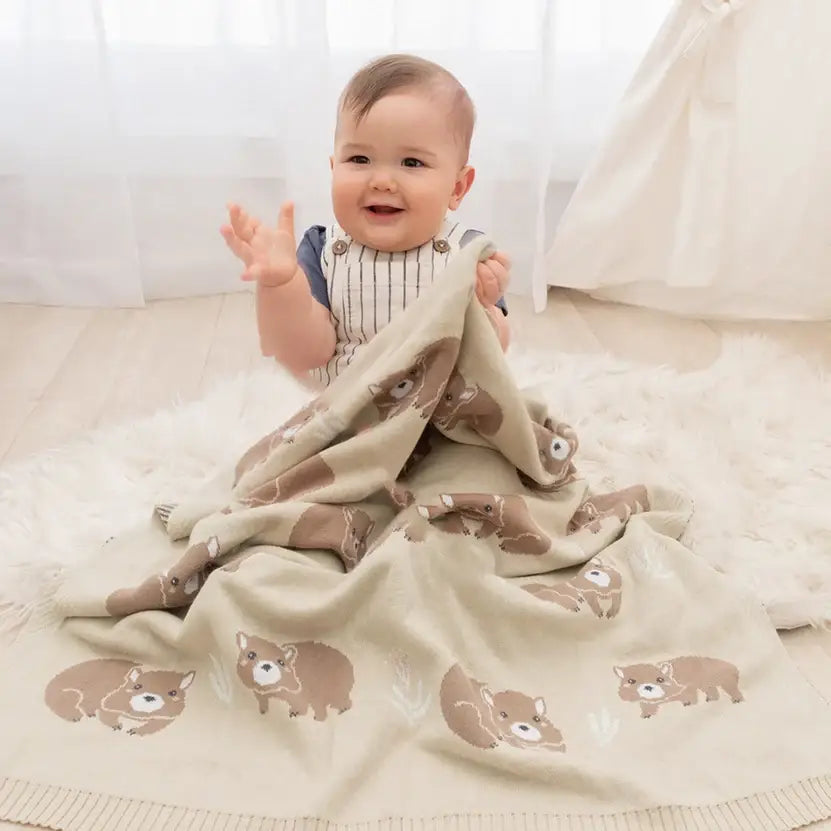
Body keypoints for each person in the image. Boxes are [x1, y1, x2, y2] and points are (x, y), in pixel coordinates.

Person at [220, 53, 511, 387]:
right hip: (348, 416)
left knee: (510, 425)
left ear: (457, 188)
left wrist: (483, 308)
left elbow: (495, 355)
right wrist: (282, 284)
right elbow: (307, 354)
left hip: (440, 414)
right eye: (359, 158)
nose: (382, 180)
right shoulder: (322, 250)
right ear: (334, 168)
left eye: (412, 163)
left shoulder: (468, 252)